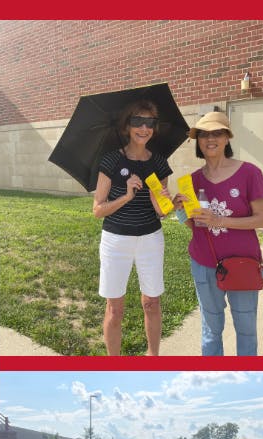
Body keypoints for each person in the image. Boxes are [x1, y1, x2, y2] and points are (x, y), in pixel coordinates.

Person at [176, 111, 263, 355]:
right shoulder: (192, 181)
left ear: (227, 137)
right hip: (204, 263)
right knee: (210, 330)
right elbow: (197, 227)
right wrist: (181, 211)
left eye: (217, 133)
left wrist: (220, 219)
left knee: (247, 330)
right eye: (204, 135)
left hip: (242, 263)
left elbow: (262, 219)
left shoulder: (250, 173)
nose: (210, 139)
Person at [92, 100, 174, 356]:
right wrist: (126, 197)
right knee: (115, 309)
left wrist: (162, 199)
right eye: (137, 121)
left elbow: (162, 212)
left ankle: (153, 357)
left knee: (151, 302)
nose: (143, 128)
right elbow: (97, 210)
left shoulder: (159, 163)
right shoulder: (111, 161)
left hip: (150, 239)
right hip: (116, 241)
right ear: (127, 126)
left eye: (149, 122)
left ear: (154, 128)